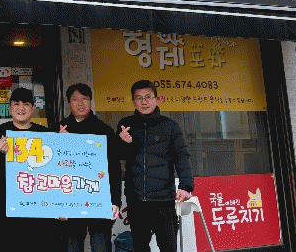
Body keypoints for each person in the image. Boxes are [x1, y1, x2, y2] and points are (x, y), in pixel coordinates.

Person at [117, 80, 194, 252]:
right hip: (136, 200)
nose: (144, 102)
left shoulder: (170, 126)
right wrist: (123, 143)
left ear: (156, 99)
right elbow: (118, 156)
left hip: (163, 200)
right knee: (140, 247)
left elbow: (182, 156)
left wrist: (186, 186)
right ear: (133, 101)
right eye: (139, 98)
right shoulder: (126, 125)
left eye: (148, 97)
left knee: (168, 247)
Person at [0, 88, 50, 250]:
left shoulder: (45, 133)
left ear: (33, 108)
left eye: (25, 104)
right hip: (6, 204)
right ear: (10, 107)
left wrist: (63, 141)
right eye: (16, 104)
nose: (21, 108)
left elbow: (55, 168)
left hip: (38, 204)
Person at [57, 83, 121, 252]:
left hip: (98, 197)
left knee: (101, 246)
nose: (80, 103)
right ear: (68, 103)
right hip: (69, 199)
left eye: (84, 99)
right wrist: (59, 143)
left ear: (91, 101)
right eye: (75, 99)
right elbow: (52, 169)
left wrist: (115, 201)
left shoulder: (104, 130)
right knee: (71, 246)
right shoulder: (59, 129)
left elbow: (114, 169)